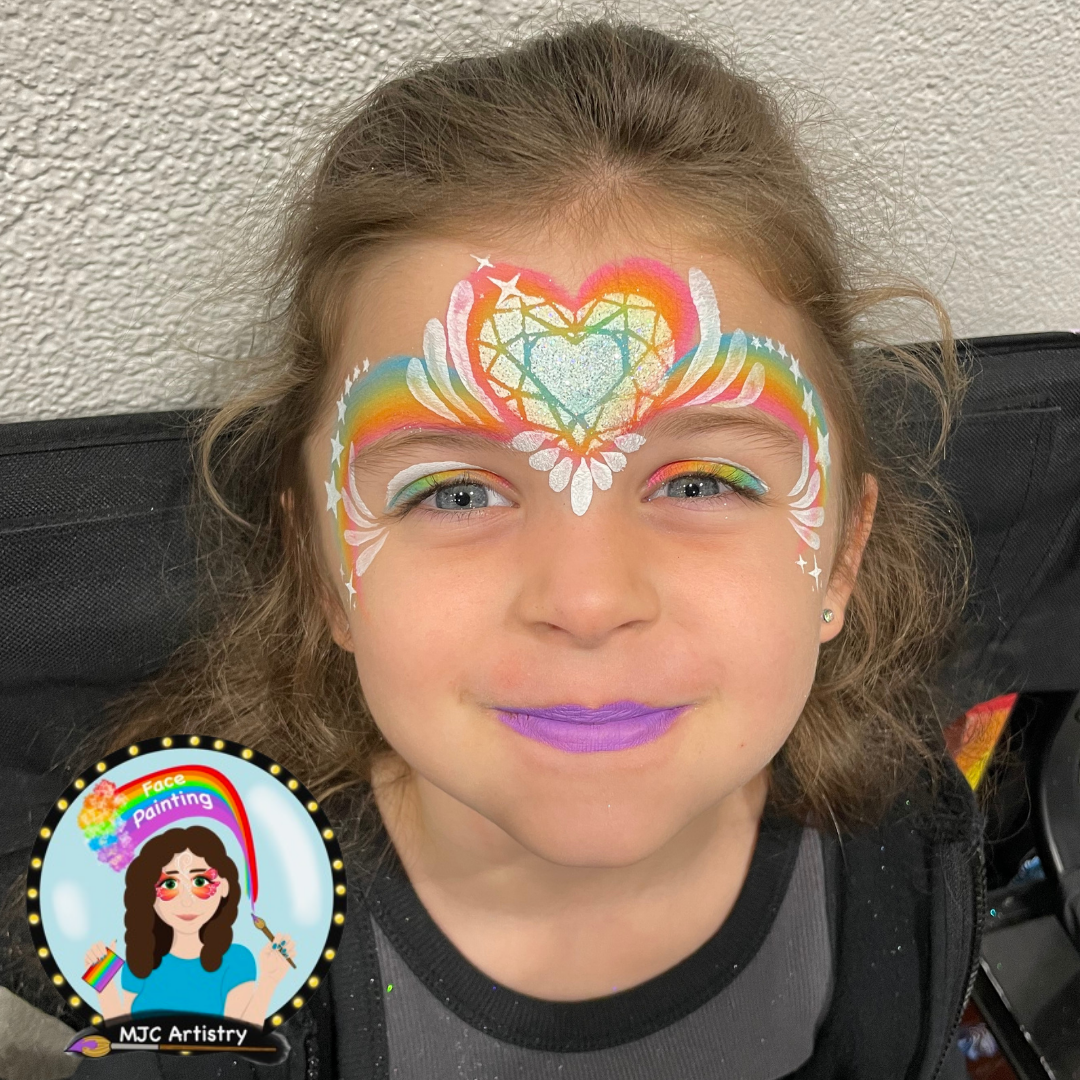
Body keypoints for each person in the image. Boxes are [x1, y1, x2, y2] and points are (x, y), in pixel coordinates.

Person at [3, 17, 982, 1080]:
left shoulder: (906, 843)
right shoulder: (212, 952)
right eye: (455, 490)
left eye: (703, 481)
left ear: (840, 557)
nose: (588, 596)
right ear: (327, 568)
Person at [82, 826, 294, 1023]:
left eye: (200, 882)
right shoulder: (140, 960)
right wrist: (103, 981)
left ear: (224, 887)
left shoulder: (237, 961)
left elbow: (240, 1039)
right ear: (149, 893)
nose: (186, 900)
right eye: (170, 884)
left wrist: (269, 981)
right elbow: (122, 1038)